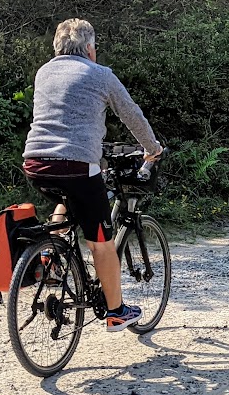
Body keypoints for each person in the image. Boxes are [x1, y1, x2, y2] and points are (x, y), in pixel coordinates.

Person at [22, 18, 163, 332]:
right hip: (76, 165)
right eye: (94, 47)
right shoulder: (100, 74)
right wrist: (151, 148)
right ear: (89, 48)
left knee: (66, 198)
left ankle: (50, 254)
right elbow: (131, 115)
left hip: (35, 163)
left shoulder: (43, 72)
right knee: (101, 243)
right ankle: (116, 312)